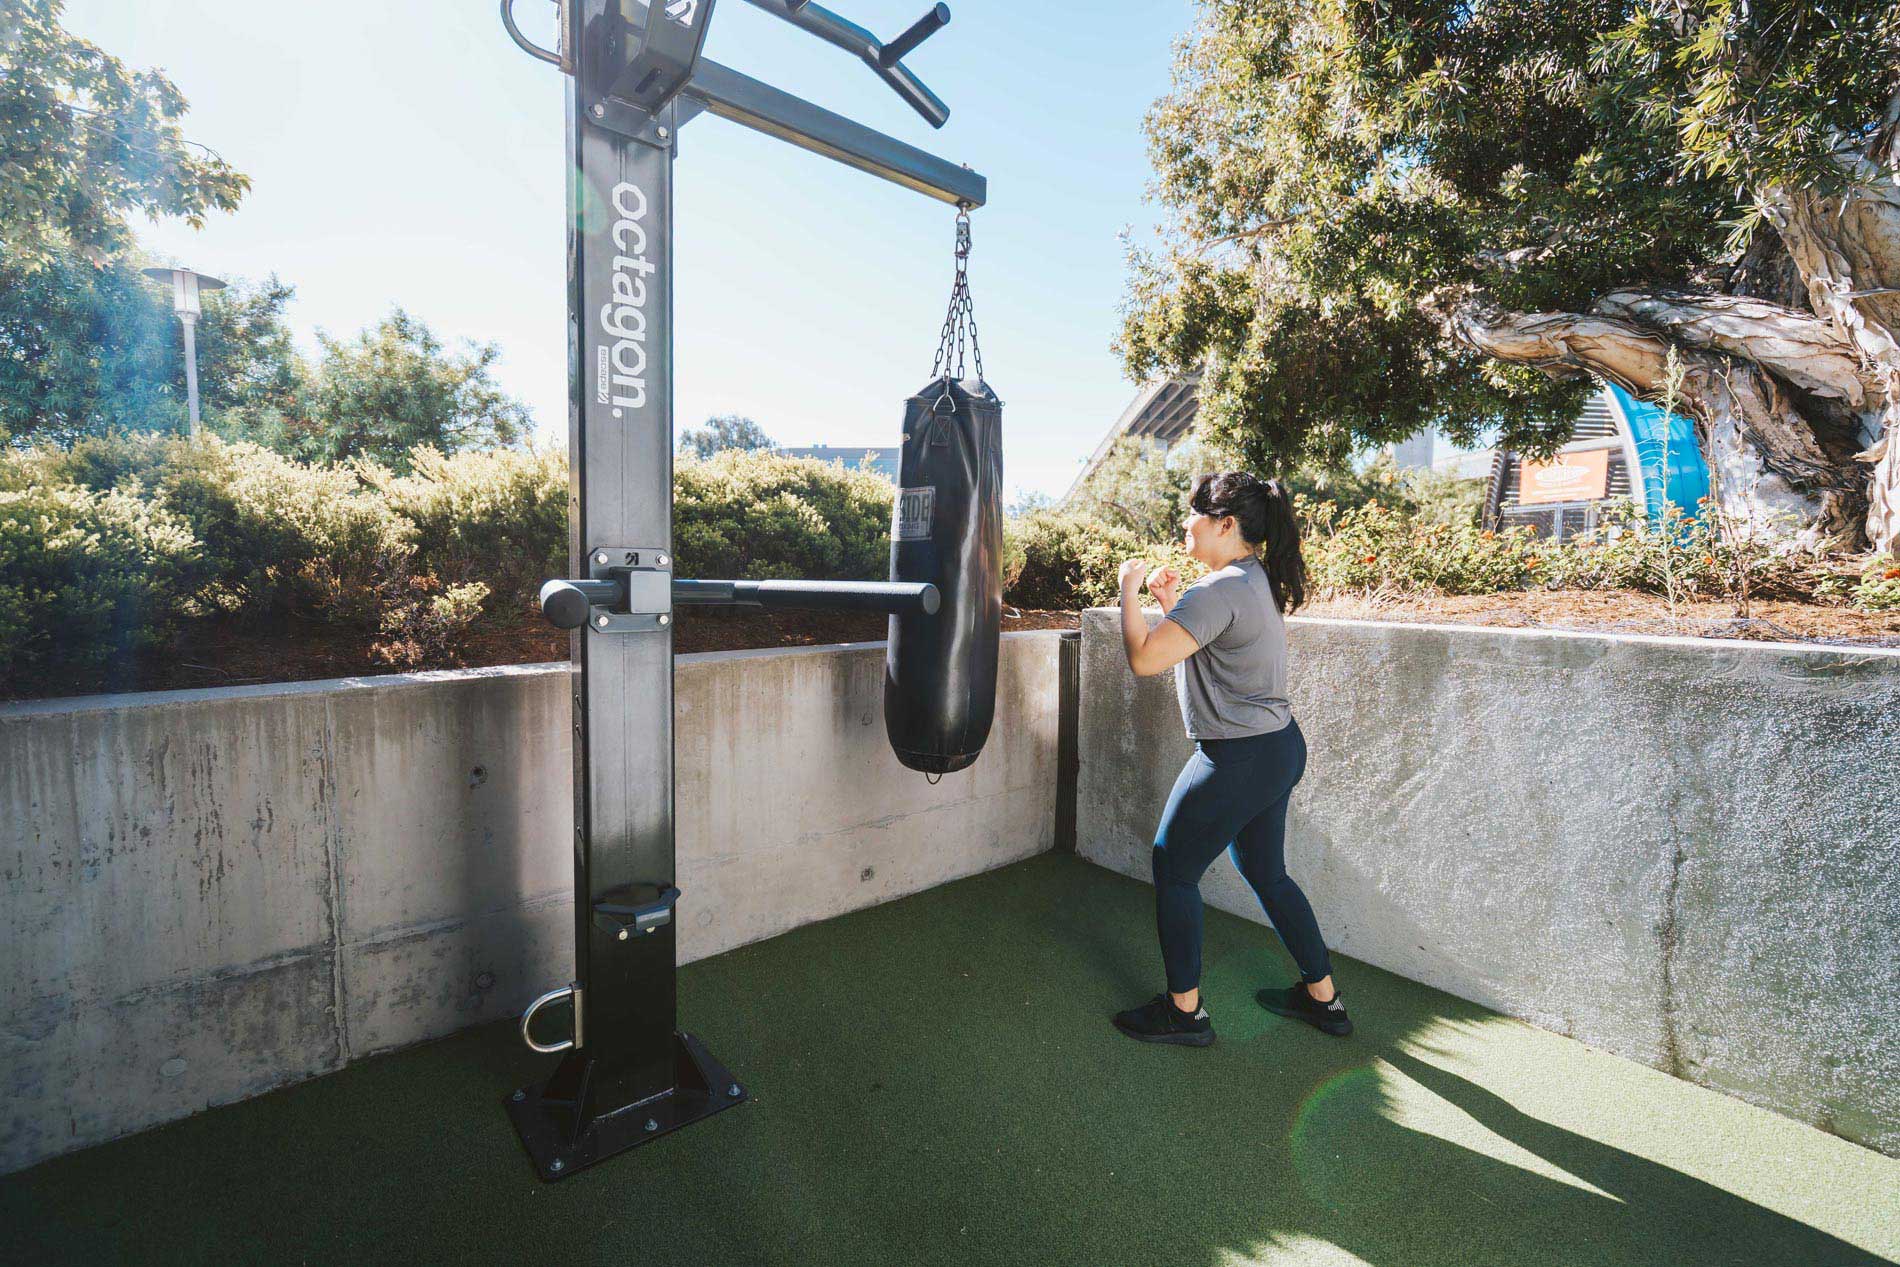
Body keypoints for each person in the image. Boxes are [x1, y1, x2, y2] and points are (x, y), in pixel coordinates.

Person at [1109, 472, 1350, 1046]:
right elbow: (1203, 655)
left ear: (1225, 524)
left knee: (1173, 869)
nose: (1184, 524)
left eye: (1193, 514)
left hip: (1237, 759)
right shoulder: (1251, 580)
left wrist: (1129, 590)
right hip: (1278, 749)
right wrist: (1172, 604)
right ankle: (1326, 1002)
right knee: (1267, 873)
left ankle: (1184, 1015)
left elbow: (1145, 660)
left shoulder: (1216, 591)